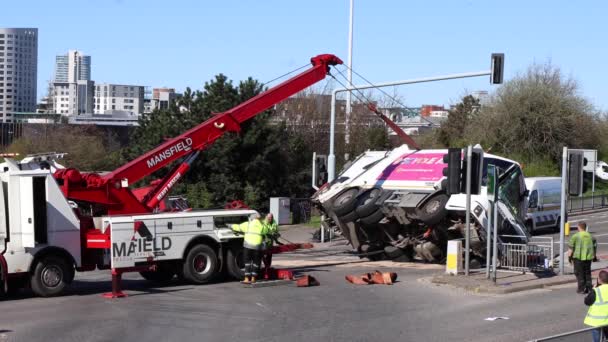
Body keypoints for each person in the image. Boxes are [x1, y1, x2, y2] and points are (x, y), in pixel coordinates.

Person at [231, 213, 270, 284]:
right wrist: (266, 222)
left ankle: (246, 279)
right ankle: (253, 278)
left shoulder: (248, 224)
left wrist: (230, 225)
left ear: (252, 218)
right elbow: (266, 231)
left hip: (248, 247)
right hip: (257, 247)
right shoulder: (262, 226)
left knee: (247, 262)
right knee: (256, 263)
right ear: (259, 219)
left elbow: (238, 227)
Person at [569, 221, 598, 294]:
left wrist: (569, 258)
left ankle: (581, 288)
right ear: (585, 227)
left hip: (578, 258)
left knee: (579, 273)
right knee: (587, 273)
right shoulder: (591, 236)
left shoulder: (575, 236)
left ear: (579, 227)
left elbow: (571, 249)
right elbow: (594, 248)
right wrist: (594, 256)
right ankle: (589, 288)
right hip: (588, 258)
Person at [584, 270, 608, 342]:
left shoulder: (596, 291)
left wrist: (593, 290)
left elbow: (587, 302)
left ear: (599, 280)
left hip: (597, 322)